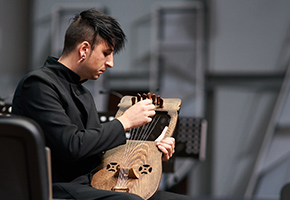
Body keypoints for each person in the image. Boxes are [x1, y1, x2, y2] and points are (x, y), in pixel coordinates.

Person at [12, 10, 191, 200]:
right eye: (106, 53)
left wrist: (152, 152)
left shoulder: (83, 93)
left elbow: (96, 151)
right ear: (84, 49)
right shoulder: (39, 85)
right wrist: (125, 122)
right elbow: (72, 146)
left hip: (92, 185)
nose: (111, 63)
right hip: (55, 187)